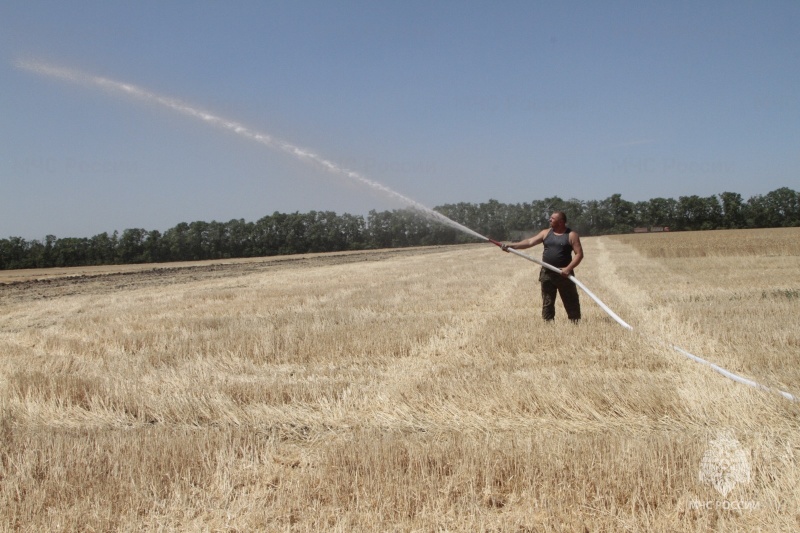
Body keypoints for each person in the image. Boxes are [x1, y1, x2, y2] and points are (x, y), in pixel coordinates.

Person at [502, 211, 583, 322]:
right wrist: (512, 246)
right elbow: (530, 242)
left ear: (561, 221)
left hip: (564, 274)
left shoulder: (571, 235)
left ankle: (575, 323)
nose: (549, 220)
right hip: (547, 273)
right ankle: (548, 324)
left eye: (552, 218)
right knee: (547, 301)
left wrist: (568, 269)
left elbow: (579, 254)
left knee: (571, 300)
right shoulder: (546, 233)